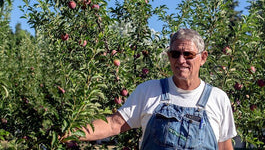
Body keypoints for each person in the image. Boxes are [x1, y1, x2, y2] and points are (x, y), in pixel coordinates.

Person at [75, 28, 237, 149]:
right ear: (168, 56)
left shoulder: (218, 98)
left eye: (188, 54)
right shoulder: (149, 91)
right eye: (175, 54)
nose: (181, 60)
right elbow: (113, 124)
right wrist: (71, 133)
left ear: (203, 58)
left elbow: (224, 146)